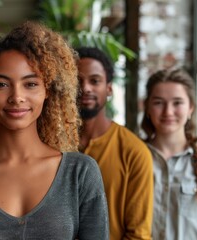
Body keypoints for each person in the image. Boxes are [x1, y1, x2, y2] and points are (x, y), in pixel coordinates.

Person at [0, 21, 109, 240]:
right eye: (1, 84)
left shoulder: (81, 173)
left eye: (30, 84)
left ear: (48, 90)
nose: (16, 97)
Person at [75, 47, 153, 239]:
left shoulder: (134, 152)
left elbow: (138, 234)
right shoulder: (49, 144)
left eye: (95, 81)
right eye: (77, 81)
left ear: (109, 88)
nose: (85, 88)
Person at [141, 68, 197, 240]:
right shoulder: (132, 157)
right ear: (147, 108)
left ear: (190, 108)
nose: (168, 112)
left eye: (177, 102)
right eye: (158, 102)